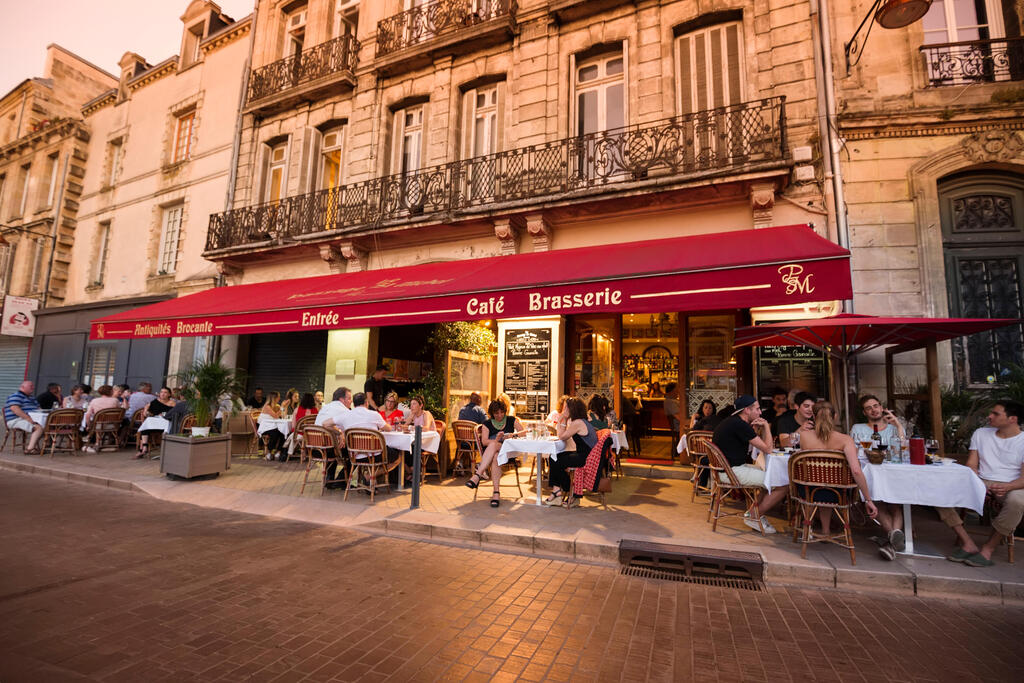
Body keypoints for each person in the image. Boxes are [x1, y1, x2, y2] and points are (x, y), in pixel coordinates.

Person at [937, 400, 1024, 567]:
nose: (989, 416)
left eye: (996, 414)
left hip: (1013, 485)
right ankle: (967, 543)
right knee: (940, 493)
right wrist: (976, 480)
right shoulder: (981, 433)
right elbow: (971, 464)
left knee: (1017, 502)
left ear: (1012, 419)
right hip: (981, 480)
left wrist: (1008, 487)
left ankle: (988, 549)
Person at [796, 401, 879, 544]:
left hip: (808, 491)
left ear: (814, 417)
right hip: (839, 494)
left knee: (817, 483)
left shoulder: (804, 437)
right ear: (835, 416)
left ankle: (817, 529)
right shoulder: (845, 440)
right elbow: (856, 471)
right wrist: (868, 499)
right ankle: (826, 531)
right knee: (828, 485)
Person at [711, 395, 787, 533]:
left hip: (727, 469)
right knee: (782, 483)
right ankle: (754, 516)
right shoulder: (739, 424)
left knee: (771, 476)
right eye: (757, 409)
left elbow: (759, 444)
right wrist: (766, 427)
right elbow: (768, 449)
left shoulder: (734, 422)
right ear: (747, 410)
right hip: (731, 472)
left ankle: (754, 514)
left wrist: (758, 429)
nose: (760, 412)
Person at [850, 394, 907, 552]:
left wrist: (898, 425)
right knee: (877, 503)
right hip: (871, 475)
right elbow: (853, 453)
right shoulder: (858, 428)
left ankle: (892, 542)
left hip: (893, 474)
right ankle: (895, 538)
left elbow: (903, 449)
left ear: (882, 408)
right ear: (864, 413)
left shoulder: (893, 429)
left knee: (895, 505)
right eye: (869, 408)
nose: (873, 410)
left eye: (875, 406)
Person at [465, 399, 524, 507]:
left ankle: (478, 474)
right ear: (492, 413)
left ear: (505, 411)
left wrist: (511, 435)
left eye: (502, 412)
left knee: (494, 446)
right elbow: (484, 441)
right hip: (494, 454)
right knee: (496, 455)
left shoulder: (511, 420)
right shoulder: (487, 424)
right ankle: (496, 493)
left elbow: (523, 433)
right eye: (496, 413)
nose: (500, 415)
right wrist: (497, 439)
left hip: (509, 452)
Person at [543, 397, 597, 507]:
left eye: (565, 408)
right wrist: (564, 419)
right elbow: (562, 435)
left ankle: (567, 492)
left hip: (585, 457)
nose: (564, 410)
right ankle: (558, 491)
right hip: (584, 454)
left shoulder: (577, 423)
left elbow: (561, 436)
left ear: (571, 409)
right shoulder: (581, 421)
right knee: (554, 457)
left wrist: (562, 417)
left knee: (555, 459)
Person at [4, 380, 44, 454]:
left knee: (47, 426)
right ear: (22, 387)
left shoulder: (32, 397)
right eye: (31, 386)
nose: (33, 387)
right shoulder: (16, 395)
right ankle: (30, 449)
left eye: (33, 386)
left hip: (30, 419)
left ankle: (43, 446)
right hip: (16, 419)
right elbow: (15, 409)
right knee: (38, 428)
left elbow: (39, 409)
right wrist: (28, 419)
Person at [81, 385, 121, 453]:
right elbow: (119, 411)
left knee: (97, 424)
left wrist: (89, 425)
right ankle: (110, 444)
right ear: (111, 391)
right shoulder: (115, 400)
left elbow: (88, 415)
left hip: (98, 426)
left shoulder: (94, 401)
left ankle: (97, 443)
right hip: (112, 425)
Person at [137, 387, 175, 458]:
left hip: (165, 425)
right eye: (161, 392)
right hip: (154, 424)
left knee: (147, 428)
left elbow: (174, 414)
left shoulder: (172, 403)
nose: (163, 394)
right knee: (145, 428)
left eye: (165, 392)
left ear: (169, 394)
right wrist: (146, 412)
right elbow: (146, 410)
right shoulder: (155, 402)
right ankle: (144, 448)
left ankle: (142, 450)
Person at [259, 391, 287, 460]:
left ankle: (279, 451)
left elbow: (283, 415)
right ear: (274, 398)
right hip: (265, 428)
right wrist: (282, 407)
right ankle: (269, 451)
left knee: (283, 433)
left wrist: (285, 407)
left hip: (272, 426)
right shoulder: (267, 407)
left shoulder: (276, 406)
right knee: (275, 433)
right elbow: (276, 416)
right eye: (278, 397)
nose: (279, 399)